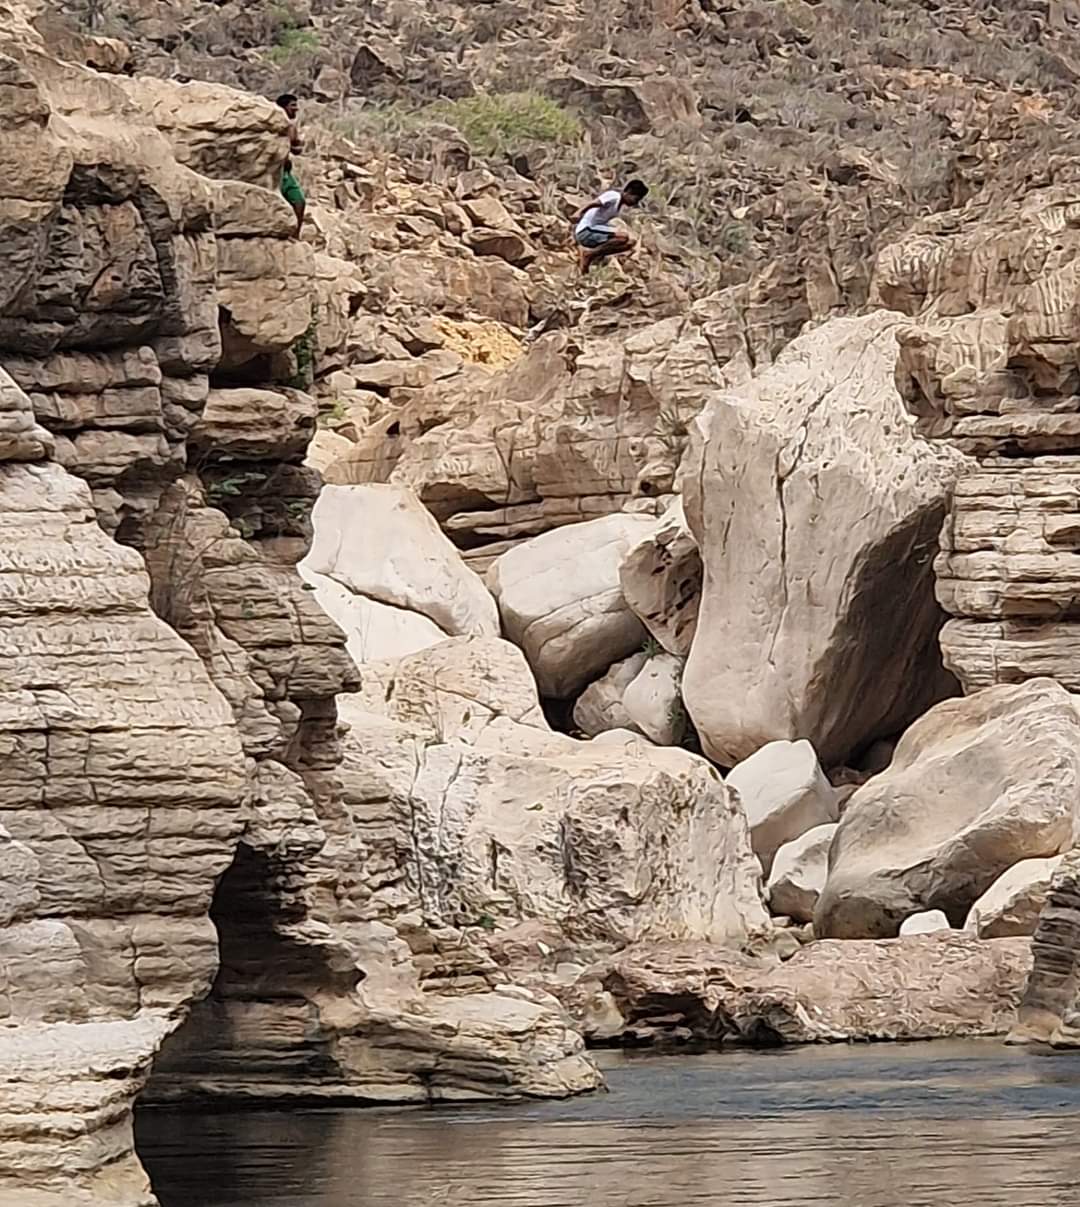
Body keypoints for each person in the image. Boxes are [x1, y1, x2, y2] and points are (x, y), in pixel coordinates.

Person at [572, 179, 648, 275]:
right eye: (635, 199)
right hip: (586, 230)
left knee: (629, 243)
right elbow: (594, 202)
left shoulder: (618, 205)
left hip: (594, 231)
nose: (634, 203)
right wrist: (579, 212)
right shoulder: (614, 196)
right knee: (623, 237)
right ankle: (588, 255)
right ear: (628, 192)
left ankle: (592, 255)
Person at [276, 93, 306, 239]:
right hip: (275, 172)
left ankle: (295, 236)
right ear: (283, 108)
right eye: (292, 106)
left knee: (299, 201)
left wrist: (297, 145)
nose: (296, 109)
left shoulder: (291, 127)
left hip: (287, 172)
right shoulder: (274, 125)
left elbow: (296, 148)